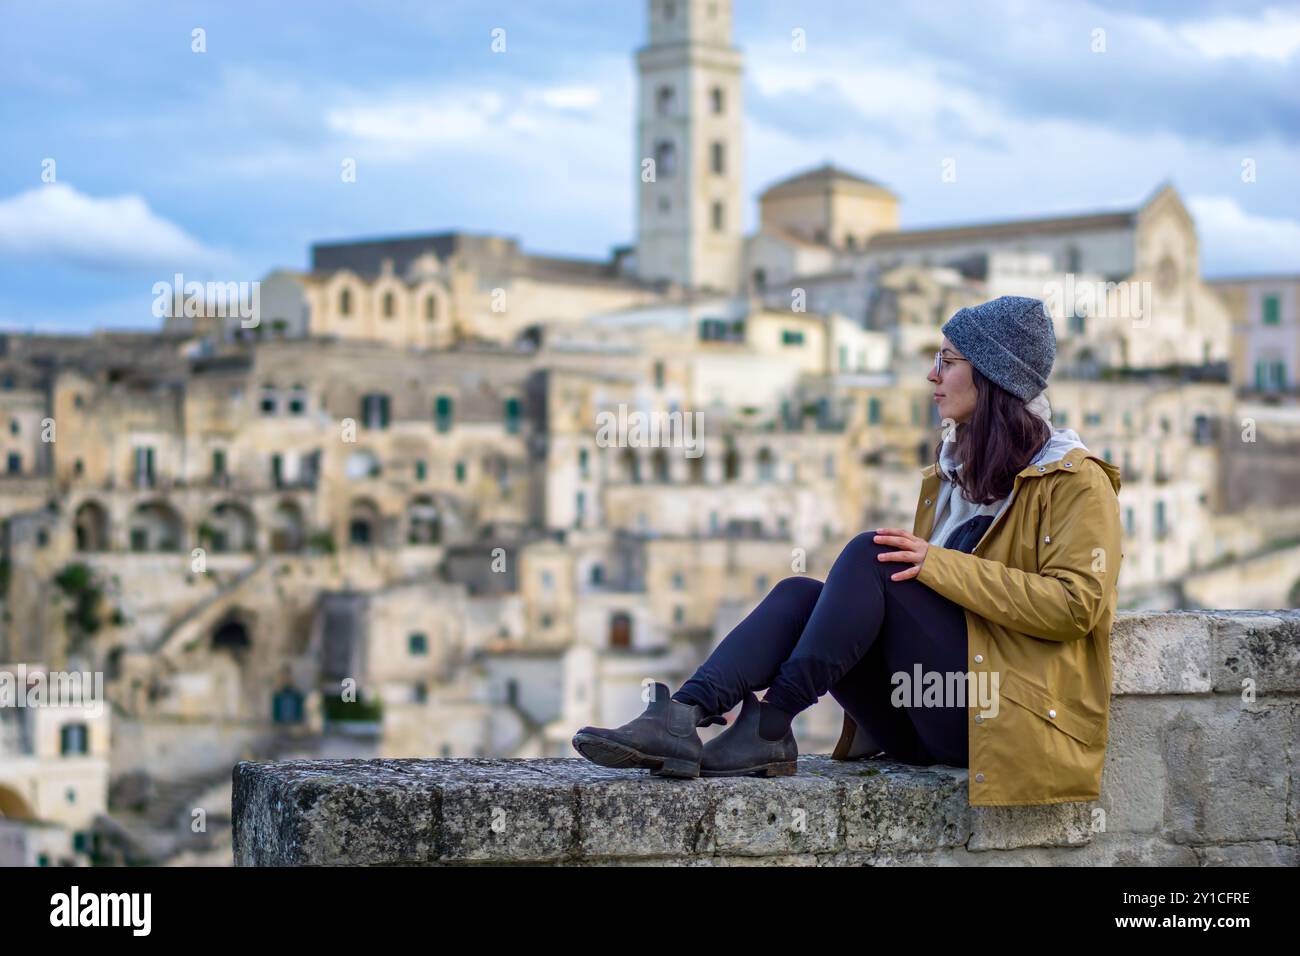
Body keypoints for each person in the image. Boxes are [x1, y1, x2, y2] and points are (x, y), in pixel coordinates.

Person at [572, 296, 1123, 796]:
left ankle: (771, 724)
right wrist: (935, 569)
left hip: (1000, 724)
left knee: (870, 553)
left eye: (949, 362)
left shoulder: (1075, 481)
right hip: (917, 719)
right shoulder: (952, 474)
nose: (932, 375)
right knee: (798, 594)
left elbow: (1077, 607)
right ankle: (683, 715)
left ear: (994, 378)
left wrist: (940, 565)